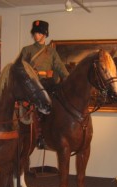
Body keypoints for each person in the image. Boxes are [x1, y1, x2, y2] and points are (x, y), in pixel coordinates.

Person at [19, 20, 69, 149]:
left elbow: (60, 67)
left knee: (56, 106)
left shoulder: (51, 52)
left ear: (45, 34)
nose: (36, 35)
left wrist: (69, 79)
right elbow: (21, 68)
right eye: (35, 32)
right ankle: (36, 135)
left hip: (48, 84)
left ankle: (50, 134)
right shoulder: (27, 50)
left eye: (39, 33)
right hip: (32, 85)